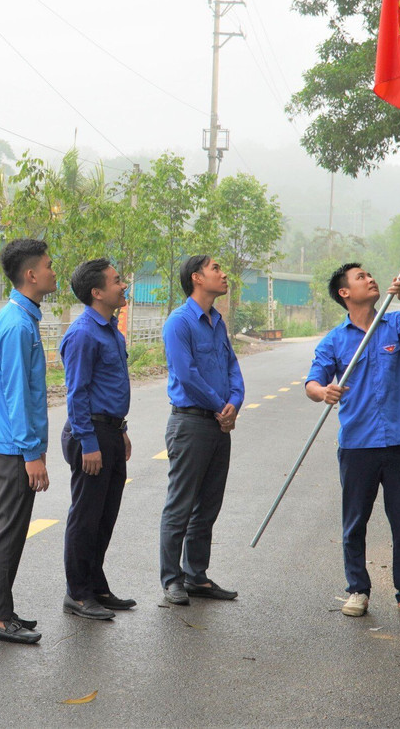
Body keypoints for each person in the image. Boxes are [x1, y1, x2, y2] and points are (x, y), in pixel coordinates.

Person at [305, 263, 400, 621]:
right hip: (357, 445)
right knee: (355, 522)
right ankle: (357, 590)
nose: (370, 279)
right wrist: (323, 391)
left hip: (399, 442)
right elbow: (312, 383)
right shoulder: (334, 340)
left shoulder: (393, 324)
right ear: (345, 293)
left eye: (369, 274)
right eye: (360, 277)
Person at [0, 238, 56, 644]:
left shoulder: (21, 318)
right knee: (10, 528)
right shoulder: (17, 324)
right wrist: (32, 453)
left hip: (10, 442)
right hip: (12, 445)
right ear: (31, 275)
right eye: (49, 265)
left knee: (5, 526)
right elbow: (17, 394)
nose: (53, 272)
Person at [159, 254, 244, 606]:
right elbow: (186, 374)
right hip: (191, 422)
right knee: (180, 506)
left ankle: (196, 576)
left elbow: (231, 366)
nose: (224, 275)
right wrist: (218, 405)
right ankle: (171, 579)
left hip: (218, 424)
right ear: (197, 278)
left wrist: (234, 403)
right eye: (216, 270)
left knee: (208, 505)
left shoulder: (217, 321)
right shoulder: (179, 322)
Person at [58, 259, 134, 621]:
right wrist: (89, 442)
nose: (124, 286)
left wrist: (122, 431)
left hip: (111, 431)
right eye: (117, 281)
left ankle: (96, 584)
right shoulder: (83, 333)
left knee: (105, 516)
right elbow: (77, 393)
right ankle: (78, 593)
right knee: (86, 516)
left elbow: (109, 388)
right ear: (97, 292)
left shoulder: (112, 331)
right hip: (91, 433)